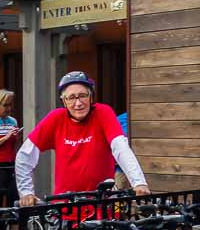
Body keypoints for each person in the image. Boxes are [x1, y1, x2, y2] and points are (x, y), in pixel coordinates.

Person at [15, 71, 150, 206]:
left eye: (83, 96)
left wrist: (138, 182)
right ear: (64, 101)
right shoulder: (55, 118)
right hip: (64, 208)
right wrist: (26, 192)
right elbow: (25, 154)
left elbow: (120, 147)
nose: (78, 103)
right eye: (72, 98)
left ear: (91, 97)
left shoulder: (103, 113)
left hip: (102, 206)